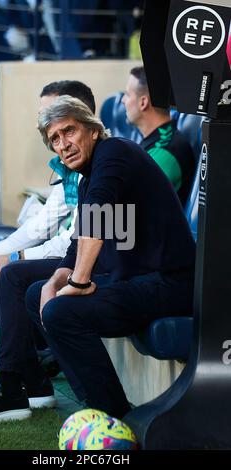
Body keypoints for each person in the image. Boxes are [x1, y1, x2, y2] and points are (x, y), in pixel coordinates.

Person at [23, 95, 196, 420]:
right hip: (137, 280)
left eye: (68, 131)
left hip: (172, 283)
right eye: (55, 140)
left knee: (62, 312)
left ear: (91, 129)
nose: (63, 144)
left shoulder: (114, 152)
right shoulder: (92, 172)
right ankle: (94, 405)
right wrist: (57, 279)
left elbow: (97, 216)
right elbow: (79, 242)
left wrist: (79, 281)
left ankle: (115, 418)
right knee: (37, 295)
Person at [0, 83, 96, 424]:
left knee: (13, 273)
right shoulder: (73, 162)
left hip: (101, 266)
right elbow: (45, 225)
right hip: (76, 255)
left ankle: (11, 386)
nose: (56, 137)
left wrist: (15, 259)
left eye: (65, 127)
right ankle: (33, 380)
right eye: (51, 129)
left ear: (85, 119)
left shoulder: (104, 162)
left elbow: (76, 242)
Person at [122, 65, 195, 206]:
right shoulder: (155, 143)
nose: (122, 100)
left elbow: (128, 205)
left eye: (128, 94)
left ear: (143, 102)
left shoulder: (166, 152)